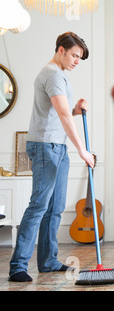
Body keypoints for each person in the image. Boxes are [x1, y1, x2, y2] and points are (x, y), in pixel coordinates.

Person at [9, 32, 95, 282]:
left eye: (80, 57)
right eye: (74, 55)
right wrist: (82, 149)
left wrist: (77, 109)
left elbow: (65, 112)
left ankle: (47, 261)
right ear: (61, 50)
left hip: (57, 146)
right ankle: (17, 266)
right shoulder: (52, 74)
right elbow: (62, 115)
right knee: (38, 206)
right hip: (47, 147)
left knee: (55, 208)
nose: (77, 61)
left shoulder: (60, 77)